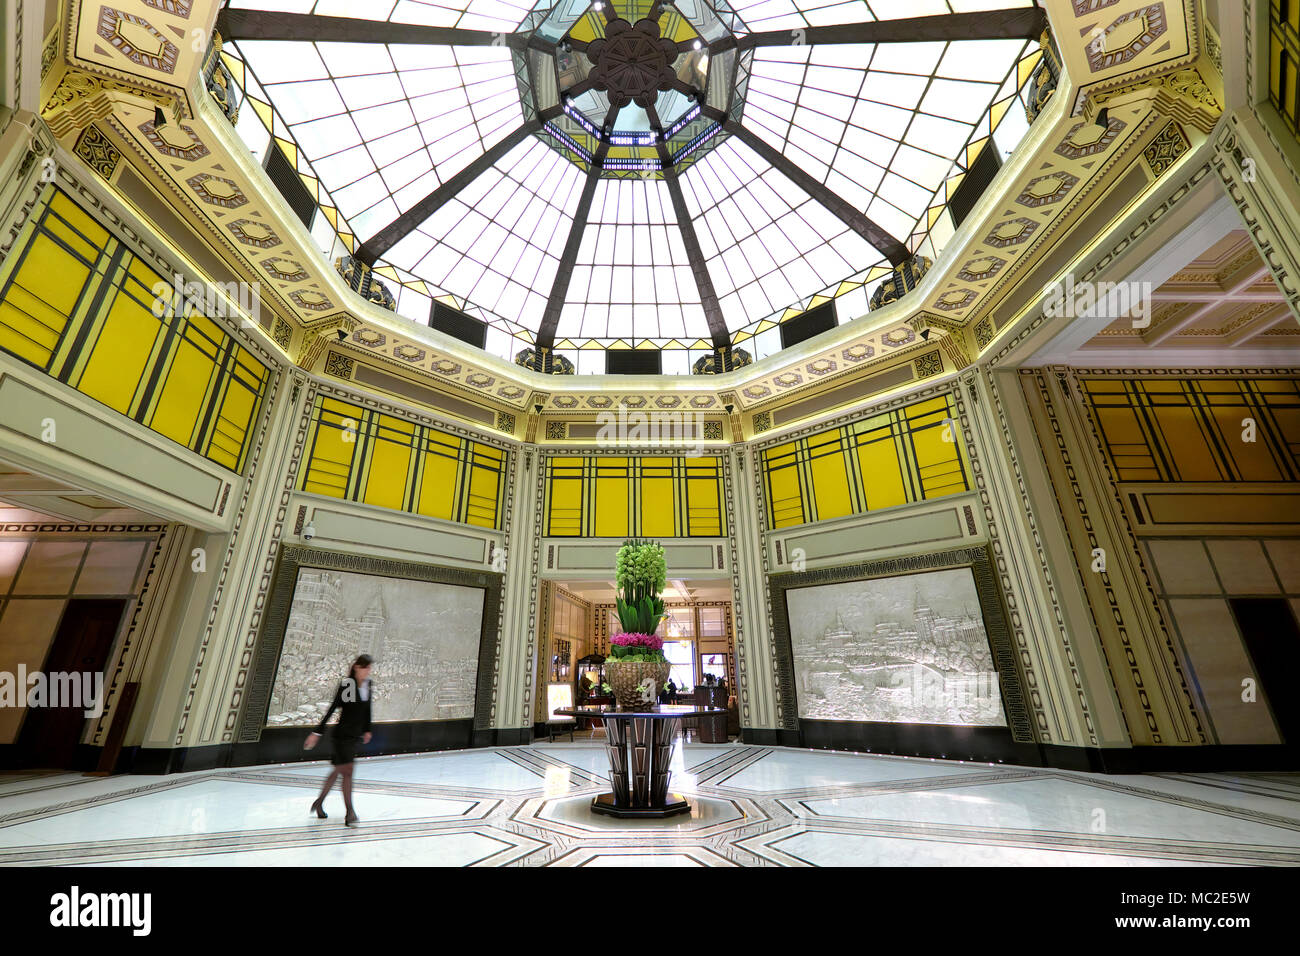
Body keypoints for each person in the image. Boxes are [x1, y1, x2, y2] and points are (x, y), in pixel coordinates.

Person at [305, 654, 373, 827]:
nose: (368, 671)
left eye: (369, 668)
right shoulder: (348, 685)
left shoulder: (367, 685)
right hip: (342, 736)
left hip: (353, 736)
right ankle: (350, 812)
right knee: (348, 771)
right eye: (365, 667)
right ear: (357, 667)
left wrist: (367, 729)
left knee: (339, 771)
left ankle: (319, 802)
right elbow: (333, 708)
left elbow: (366, 710)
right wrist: (317, 732)